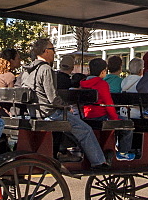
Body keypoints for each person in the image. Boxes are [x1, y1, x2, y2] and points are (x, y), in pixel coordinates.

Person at [20, 37, 109, 170]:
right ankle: (98, 161)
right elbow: (53, 98)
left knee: (73, 129)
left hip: (34, 112)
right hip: (49, 112)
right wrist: (66, 107)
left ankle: (71, 153)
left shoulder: (27, 70)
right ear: (45, 51)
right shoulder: (45, 69)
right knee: (85, 130)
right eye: (52, 49)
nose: (54, 52)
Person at [80, 58, 135, 160]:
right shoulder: (102, 84)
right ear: (103, 71)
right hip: (101, 116)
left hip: (87, 116)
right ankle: (123, 152)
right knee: (128, 124)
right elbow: (108, 104)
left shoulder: (83, 83)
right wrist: (115, 118)